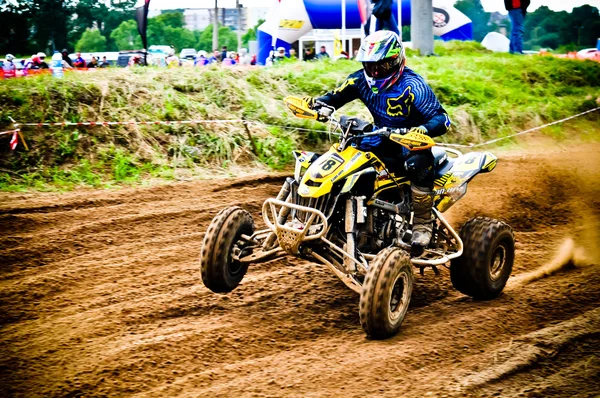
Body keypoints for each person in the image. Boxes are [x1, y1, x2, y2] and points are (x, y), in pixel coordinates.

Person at [303, 31, 451, 250]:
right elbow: (335, 97)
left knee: (418, 162)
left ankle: (422, 223)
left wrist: (420, 130)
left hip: (410, 143)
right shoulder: (359, 79)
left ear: (395, 61)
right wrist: (316, 105)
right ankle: (333, 219)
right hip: (380, 137)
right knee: (348, 154)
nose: (374, 71)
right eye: (369, 65)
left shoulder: (412, 85)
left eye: (380, 65)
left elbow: (442, 119)